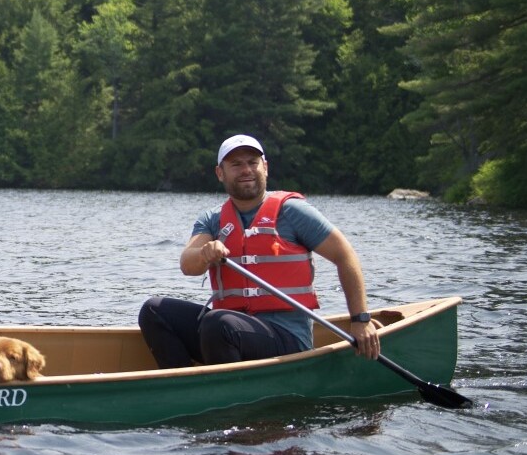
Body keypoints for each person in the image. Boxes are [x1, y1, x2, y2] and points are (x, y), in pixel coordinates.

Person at [137, 134, 381, 367]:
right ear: (220, 173)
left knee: (217, 323)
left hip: (285, 338)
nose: (246, 170)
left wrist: (360, 320)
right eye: (236, 164)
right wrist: (204, 253)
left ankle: (226, 394)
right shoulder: (213, 219)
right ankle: (183, 385)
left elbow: (345, 255)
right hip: (227, 333)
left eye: (253, 163)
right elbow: (187, 264)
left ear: (265, 167)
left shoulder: (293, 212)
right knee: (154, 310)